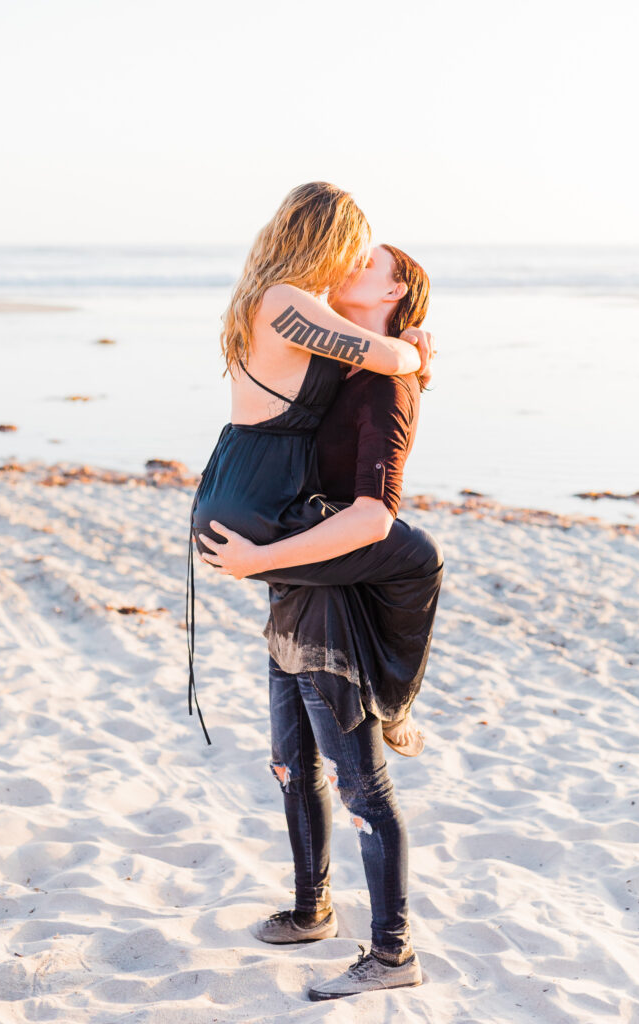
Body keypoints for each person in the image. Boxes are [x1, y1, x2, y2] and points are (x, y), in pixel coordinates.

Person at [197, 244, 443, 999]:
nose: (344, 264)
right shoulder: (341, 363)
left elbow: (373, 518)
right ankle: (311, 911)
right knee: (288, 764)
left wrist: (255, 561)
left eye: (365, 261)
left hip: (332, 601)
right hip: (295, 589)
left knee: (359, 786)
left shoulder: (382, 389)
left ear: (396, 288)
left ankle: (393, 955)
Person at [187, 181, 435, 743]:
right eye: (354, 246)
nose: (353, 260)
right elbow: (385, 354)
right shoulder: (285, 301)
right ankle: (394, 704)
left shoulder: (271, 297)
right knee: (418, 557)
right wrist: (415, 349)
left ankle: (369, 705)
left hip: (245, 487)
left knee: (358, 552)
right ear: (329, 237)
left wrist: (409, 346)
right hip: (260, 500)